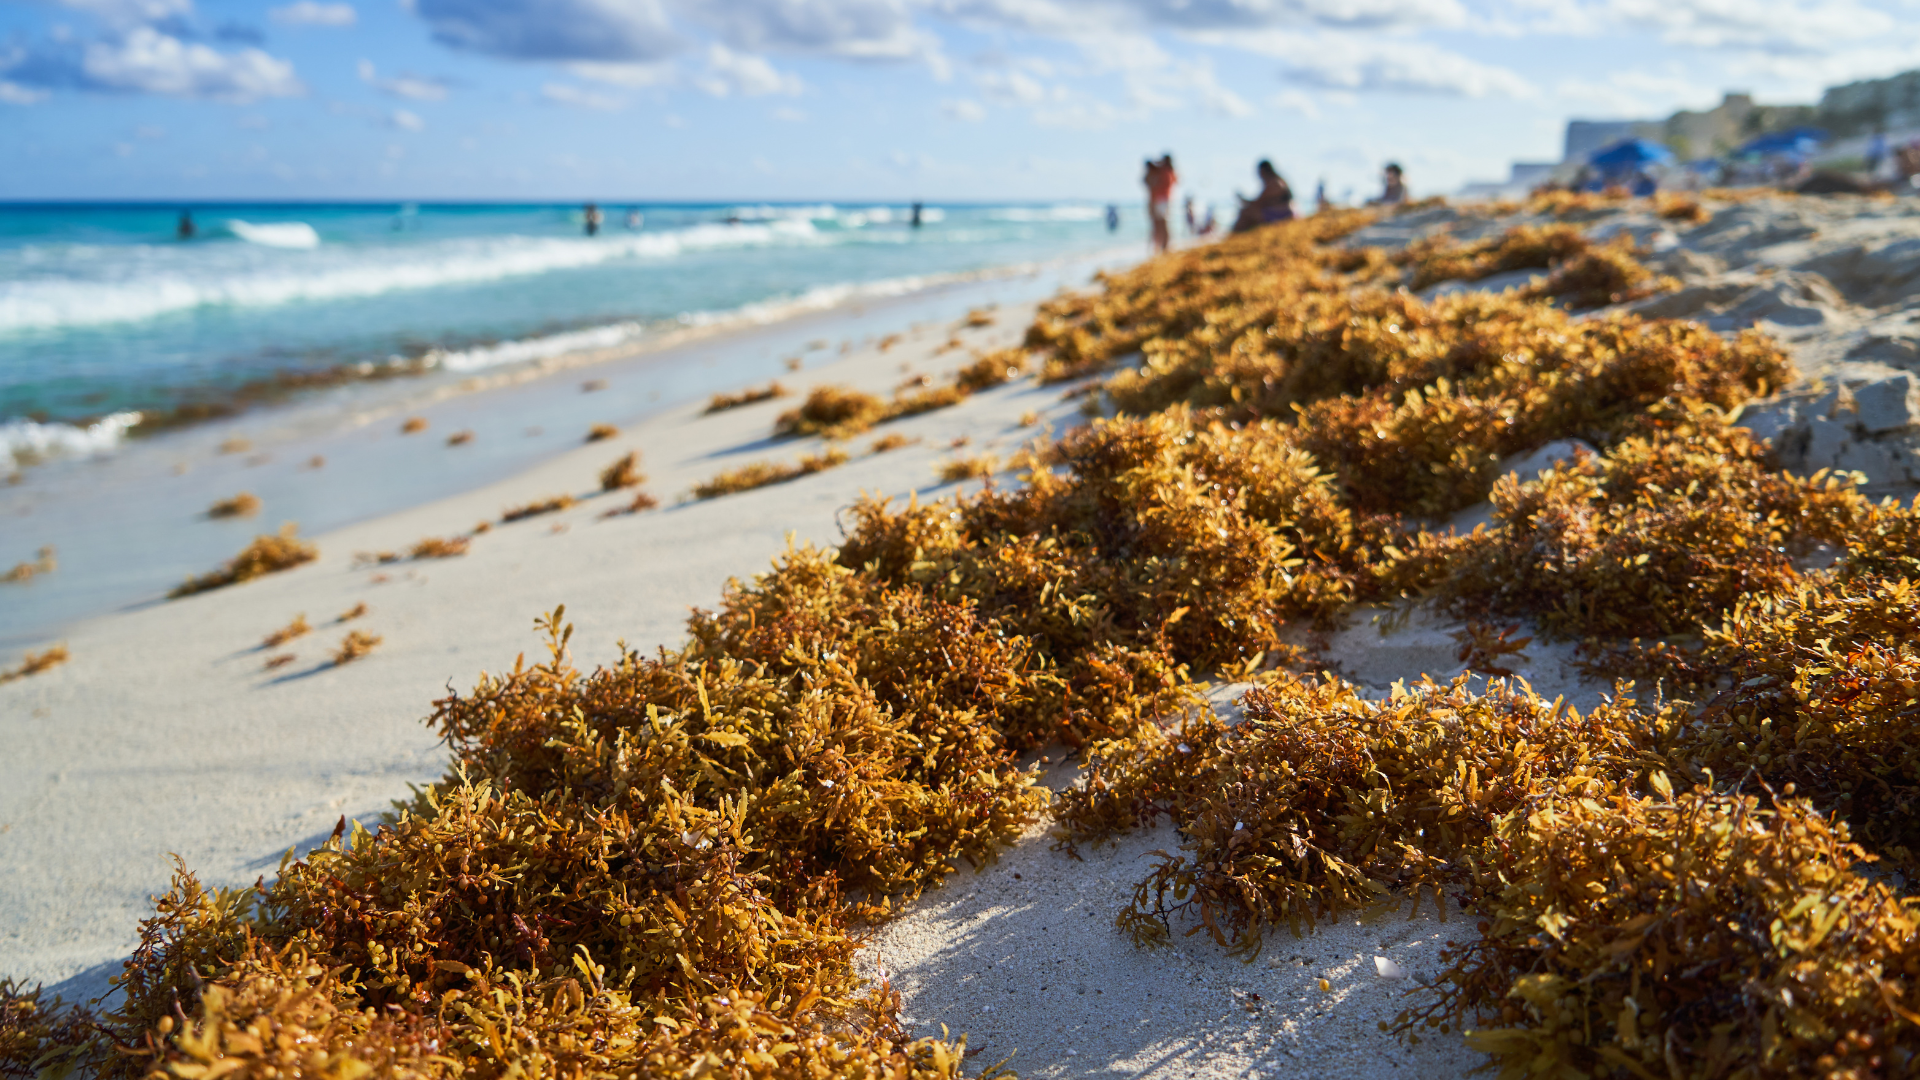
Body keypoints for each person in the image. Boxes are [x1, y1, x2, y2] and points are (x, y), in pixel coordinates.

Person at [1230, 159, 1294, 234]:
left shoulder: (1274, 184)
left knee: (1246, 212)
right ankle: (1237, 234)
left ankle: (1234, 234)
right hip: (1283, 214)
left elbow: (1257, 202)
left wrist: (1242, 199)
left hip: (1282, 216)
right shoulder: (1278, 181)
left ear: (1263, 171)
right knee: (1247, 213)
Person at [1144, 154, 1177, 253]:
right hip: (1163, 200)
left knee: (1162, 223)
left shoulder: (1165, 172)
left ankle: (1164, 246)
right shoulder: (1169, 172)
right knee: (1162, 223)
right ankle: (1163, 246)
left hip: (1161, 200)